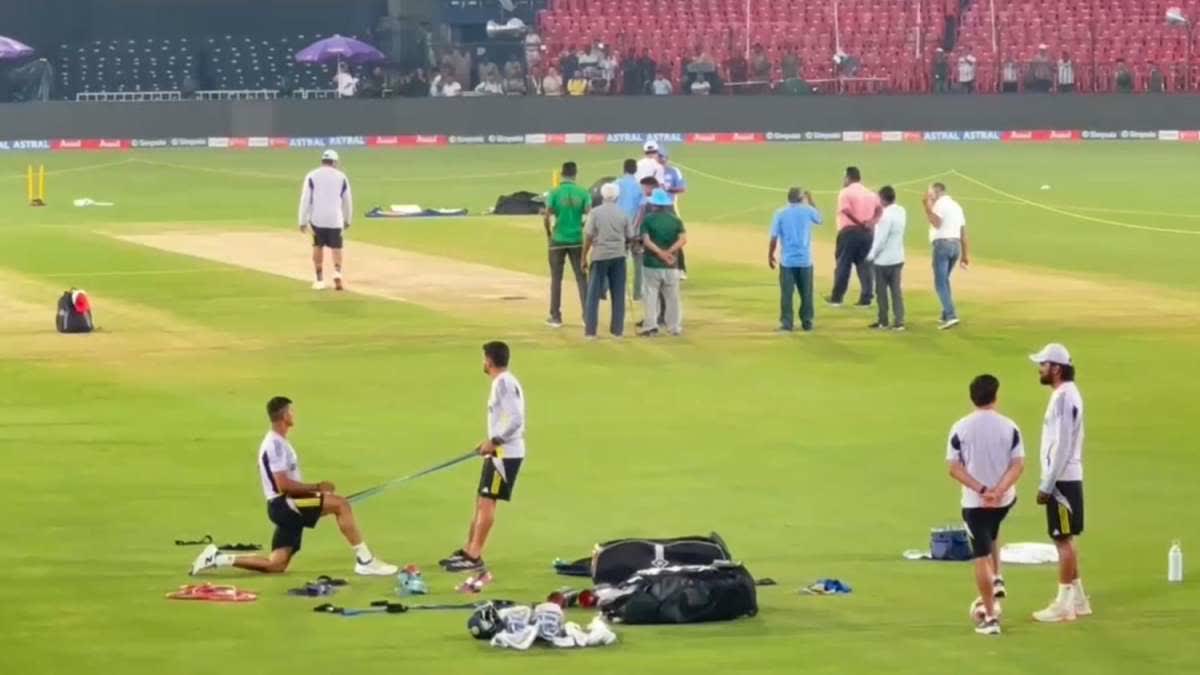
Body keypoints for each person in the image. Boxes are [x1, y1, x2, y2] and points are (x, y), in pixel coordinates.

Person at [189, 396, 398, 576]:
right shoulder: (275, 444)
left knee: (276, 565)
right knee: (341, 505)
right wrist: (317, 487)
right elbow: (282, 485)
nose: (293, 414)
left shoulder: (277, 441)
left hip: (281, 506)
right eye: (291, 411)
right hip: (285, 503)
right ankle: (365, 561)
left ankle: (217, 558)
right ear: (284, 415)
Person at [946, 375, 1026, 636]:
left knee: (980, 554)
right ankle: (998, 577)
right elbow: (1018, 465)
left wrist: (982, 490)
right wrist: (998, 491)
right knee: (992, 528)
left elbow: (954, 468)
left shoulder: (960, 428)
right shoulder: (1009, 426)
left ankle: (991, 618)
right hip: (1004, 500)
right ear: (996, 396)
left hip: (975, 503)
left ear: (972, 398)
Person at [440, 342, 526, 573]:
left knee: (487, 502)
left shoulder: (503, 383)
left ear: (489, 360)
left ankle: (474, 556)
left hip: (504, 455)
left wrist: (495, 440)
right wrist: (488, 441)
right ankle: (469, 549)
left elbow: (516, 418)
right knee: (482, 500)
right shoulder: (504, 382)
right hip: (499, 452)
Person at [1029, 343, 1092, 622]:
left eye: (1043, 364)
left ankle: (1063, 605)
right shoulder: (1065, 395)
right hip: (1064, 479)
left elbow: (1063, 443)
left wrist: (1047, 482)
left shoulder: (1064, 398)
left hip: (1061, 481)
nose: (1039, 368)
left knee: (1063, 540)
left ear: (1056, 368)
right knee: (1064, 538)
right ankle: (1078, 600)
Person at [583, 183, 636, 338]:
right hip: (619, 256)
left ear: (602, 196)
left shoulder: (595, 213)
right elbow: (630, 236)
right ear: (617, 197)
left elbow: (588, 236)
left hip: (599, 256)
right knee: (618, 294)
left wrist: (583, 257)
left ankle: (590, 331)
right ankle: (617, 331)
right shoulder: (623, 213)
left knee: (592, 296)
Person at [544, 161, 591, 328]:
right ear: (575, 174)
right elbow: (589, 215)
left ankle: (555, 316)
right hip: (577, 240)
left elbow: (547, 215)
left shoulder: (554, 192)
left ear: (562, 174)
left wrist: (550, 234)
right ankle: (588, 316)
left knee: (556, 278)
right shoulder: (583, 193)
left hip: (558, 239)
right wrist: (582, 227)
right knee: (581, 278)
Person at [768, 187, 822, 332]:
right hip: (805, 260)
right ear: (801, 198)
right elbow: (819, 218)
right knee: (807, 293)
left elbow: (774, 237)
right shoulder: (808, 210)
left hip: (787, 261)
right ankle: (807, 322)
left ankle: (787, 323)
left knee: (786, 294)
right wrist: (810, 199)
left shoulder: (780, 213)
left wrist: (770, 254)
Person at [826, 166, 881, 307]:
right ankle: (866, 299)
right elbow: (879, 210)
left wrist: (859, 223)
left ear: (848, 177)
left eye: (844, 177)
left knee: (843, 264)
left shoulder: (845, 192)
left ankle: (837, 298)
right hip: (868, 234)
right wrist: (871, 222)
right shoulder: (870, 193)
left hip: (849, 232)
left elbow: (845, 210)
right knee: (865, 265)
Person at [299, 149, 353, 291]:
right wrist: (348, 219)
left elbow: (305, 199)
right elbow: (347, 201)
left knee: (318, 246)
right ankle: (337, 272)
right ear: (334, 162)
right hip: (335, 219)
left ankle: (319, 279)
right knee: (337, 247)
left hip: (317, 218)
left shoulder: (311, 175)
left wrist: (302, 220)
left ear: (322, 161)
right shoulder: (342, 177)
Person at [639, 188, 686, 336]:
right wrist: (669, 253)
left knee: (651, 296)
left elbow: (646, 241)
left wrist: (660, 253)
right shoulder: (676, 220)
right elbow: (683, 240)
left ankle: (650, 326)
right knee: (673, 297)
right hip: (672, 265)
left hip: (651, 264)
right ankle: (674, 327)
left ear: (653, 204)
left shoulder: (648, 220)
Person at [922, 182, 969, 329]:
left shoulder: (939, 205)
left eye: (930, 194)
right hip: (955, 246)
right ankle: (944, 314)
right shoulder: (957, 206)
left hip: (942, 245)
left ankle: (950, 315)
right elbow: (963, 233)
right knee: (945, 280)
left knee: (940, 283)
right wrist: (965, 255)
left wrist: (926, 207)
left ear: (936, 192)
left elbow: (936, 223)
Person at [865, 185, 906, 330]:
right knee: (896, 291)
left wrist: (871, 255)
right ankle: (899, 321)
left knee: (881, 292)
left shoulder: (885, 217)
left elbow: (881, 240)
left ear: (882, 199)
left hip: (883, 261)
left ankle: (883, 321)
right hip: (898, 257)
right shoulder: (901, 211)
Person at [616, 160, 646, 301]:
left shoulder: (616, 184)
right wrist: (635, 228)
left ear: (624, 169)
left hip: (619, 230)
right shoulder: (639, 187)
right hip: (636, 231)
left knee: (619, 261)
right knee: (638, 262)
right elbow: (641, 210)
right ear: (635, 170)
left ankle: (618, 290)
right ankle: (637, 293)